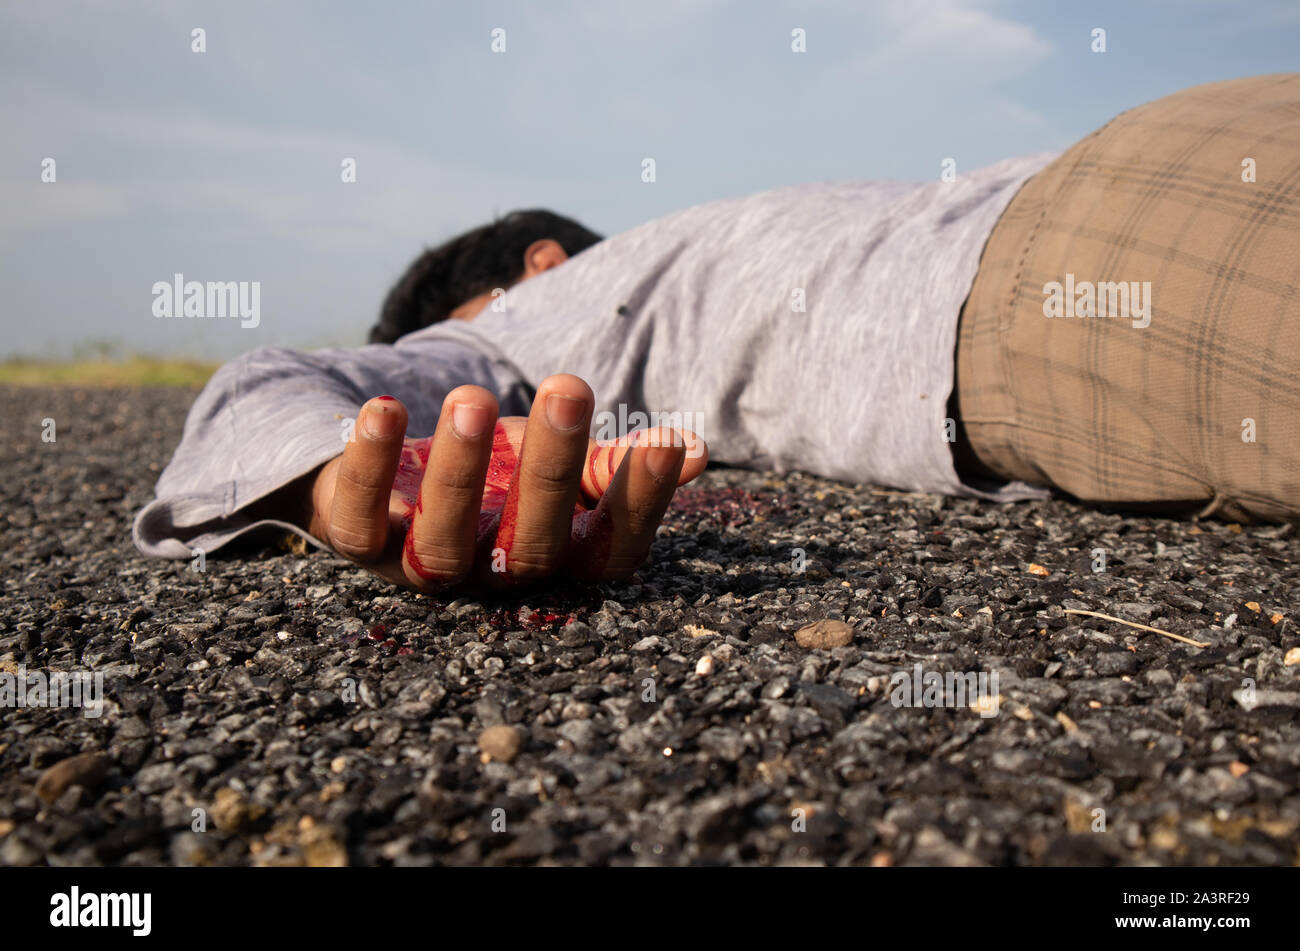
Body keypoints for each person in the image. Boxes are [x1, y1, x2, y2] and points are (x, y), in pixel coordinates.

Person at [133, 74, 1300, 594]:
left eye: (450, 328)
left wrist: (356, 462)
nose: (443, 365)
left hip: (1070, 268)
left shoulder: (544, 312)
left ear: (532, 269)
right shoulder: (743, 237)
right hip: (1148, 156)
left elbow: (272, 376)